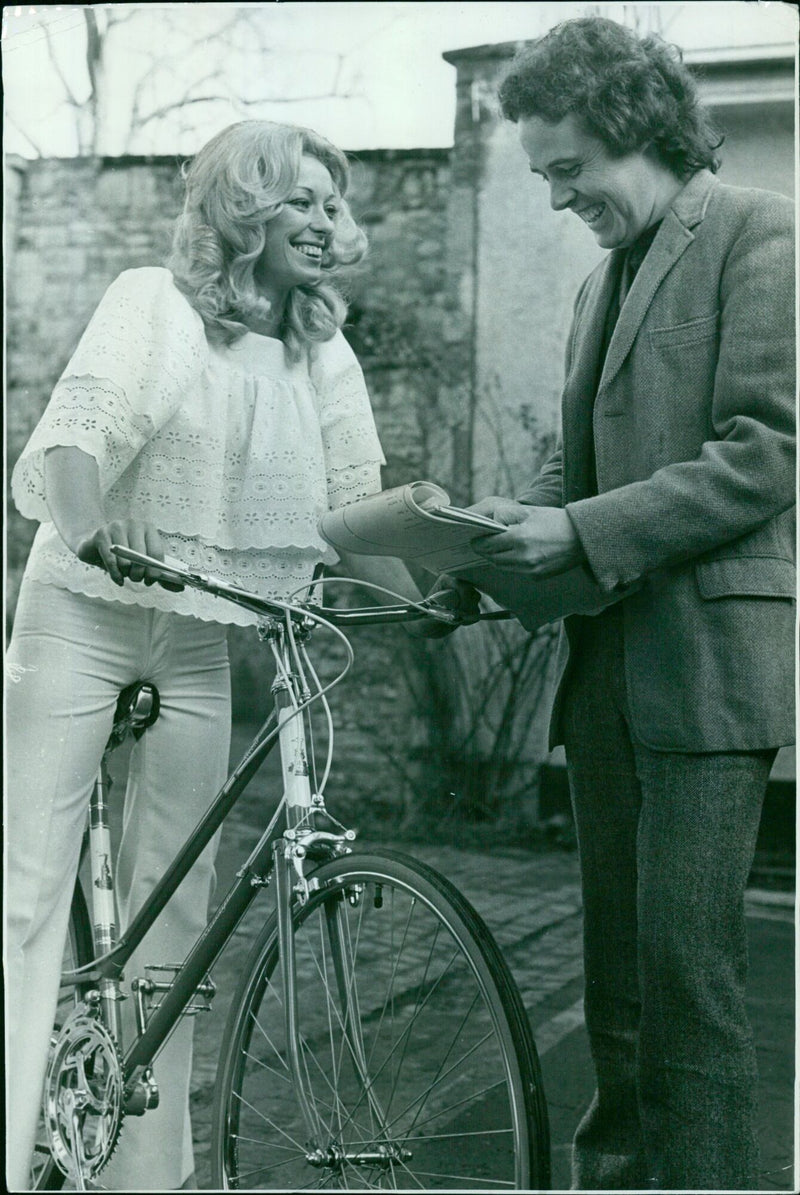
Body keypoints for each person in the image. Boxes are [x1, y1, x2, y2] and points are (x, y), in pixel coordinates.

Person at [4, 119, 472, 1191]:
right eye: (300, 199)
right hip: (85, 607)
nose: (323, 221)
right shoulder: (152, 301)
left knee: (180, 915)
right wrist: (81, 522)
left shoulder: (322, 347)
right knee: (24, 898)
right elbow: (78, 433)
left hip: (202, 631)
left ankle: (146, 1174)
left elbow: (358, 512)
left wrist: (435, 601)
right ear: (244, 207)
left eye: (330, 204)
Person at [468, 17, 795, 1192]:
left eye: (567, 170)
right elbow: (574, 478)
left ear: (636, 128)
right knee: (617, 979)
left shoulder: (761, 232)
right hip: (603, 668)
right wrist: (482, 544)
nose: (557, 199)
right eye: (541, 176)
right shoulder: (598, 286)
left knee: (684, 979)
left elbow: (767, 450)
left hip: (709, 665)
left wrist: (581, 530)